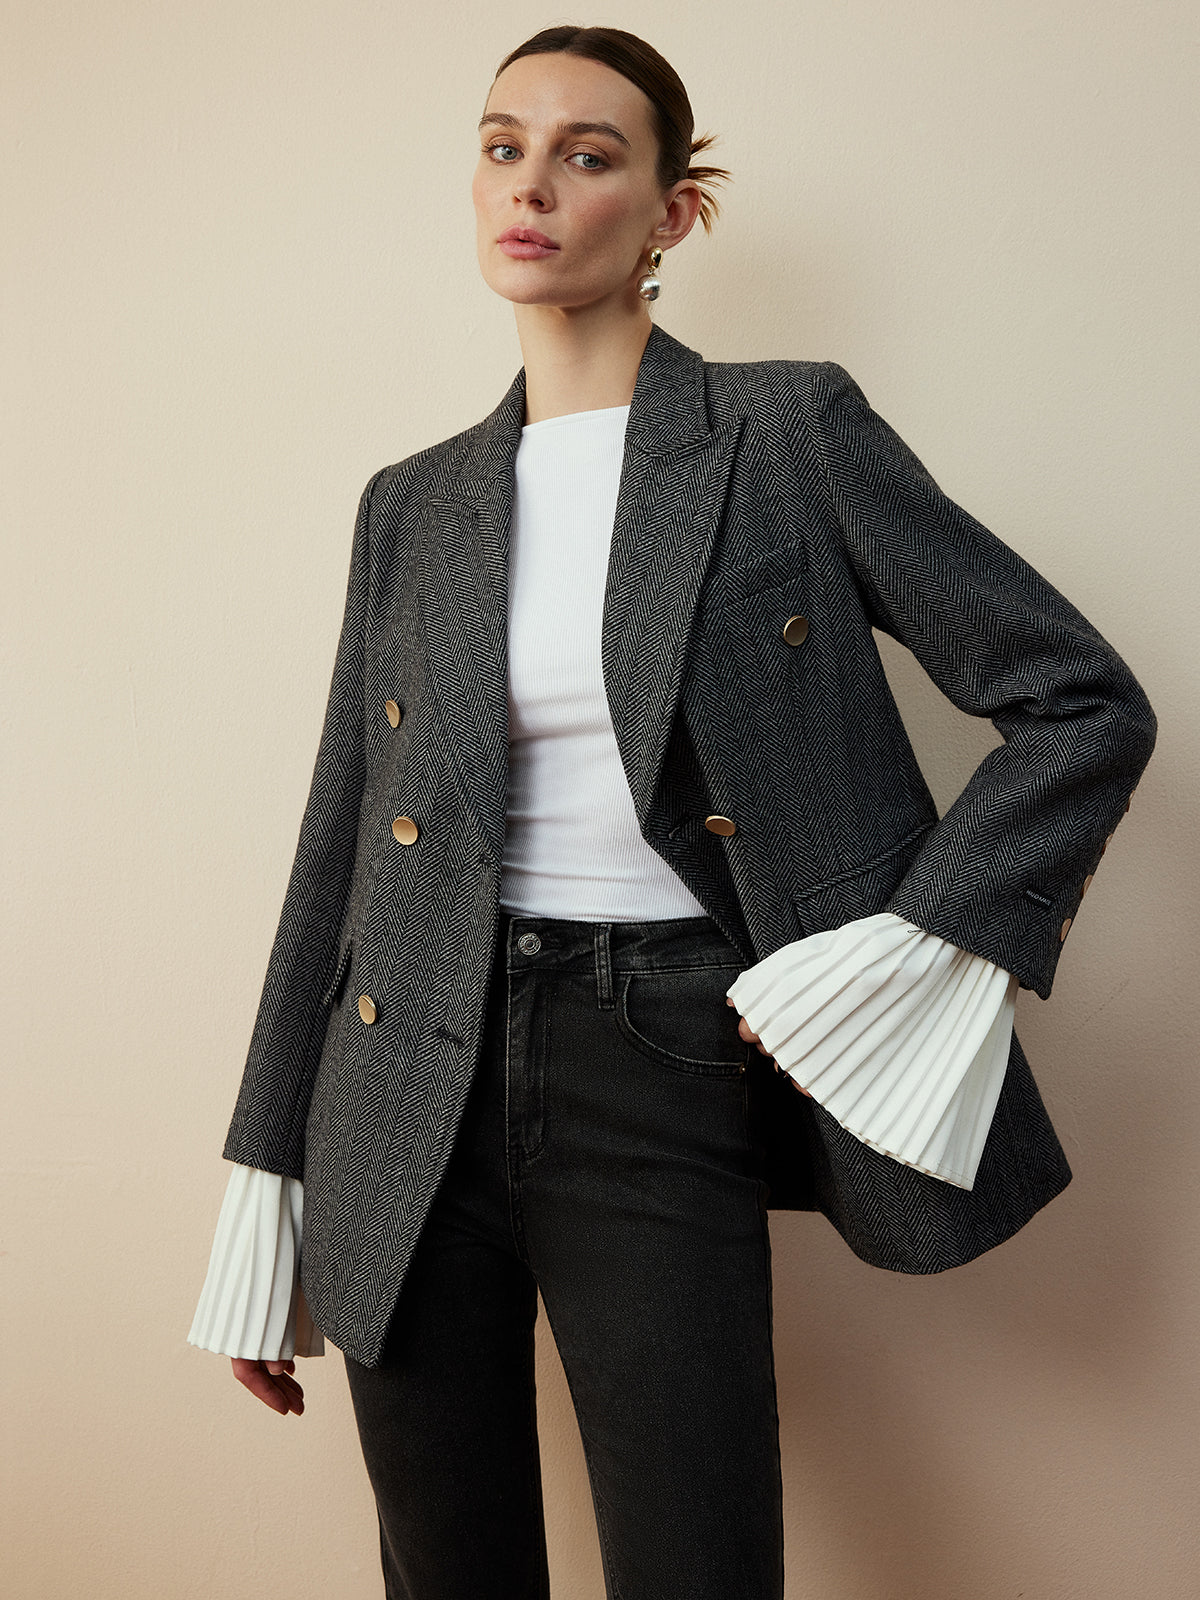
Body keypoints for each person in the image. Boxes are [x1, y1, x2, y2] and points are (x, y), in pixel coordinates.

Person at [188, 24, 1157, 1600]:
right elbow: (339, 845)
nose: (532, 186)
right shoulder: (412, 503)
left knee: (695, 1560)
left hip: (660, 1050)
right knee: (441, 1567)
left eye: (588, 155)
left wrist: (909, 943)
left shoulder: (785, 431)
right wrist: (265, 1180)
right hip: (399, 1073)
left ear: (669, 213)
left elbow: (1080, 701)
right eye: (502, 146)